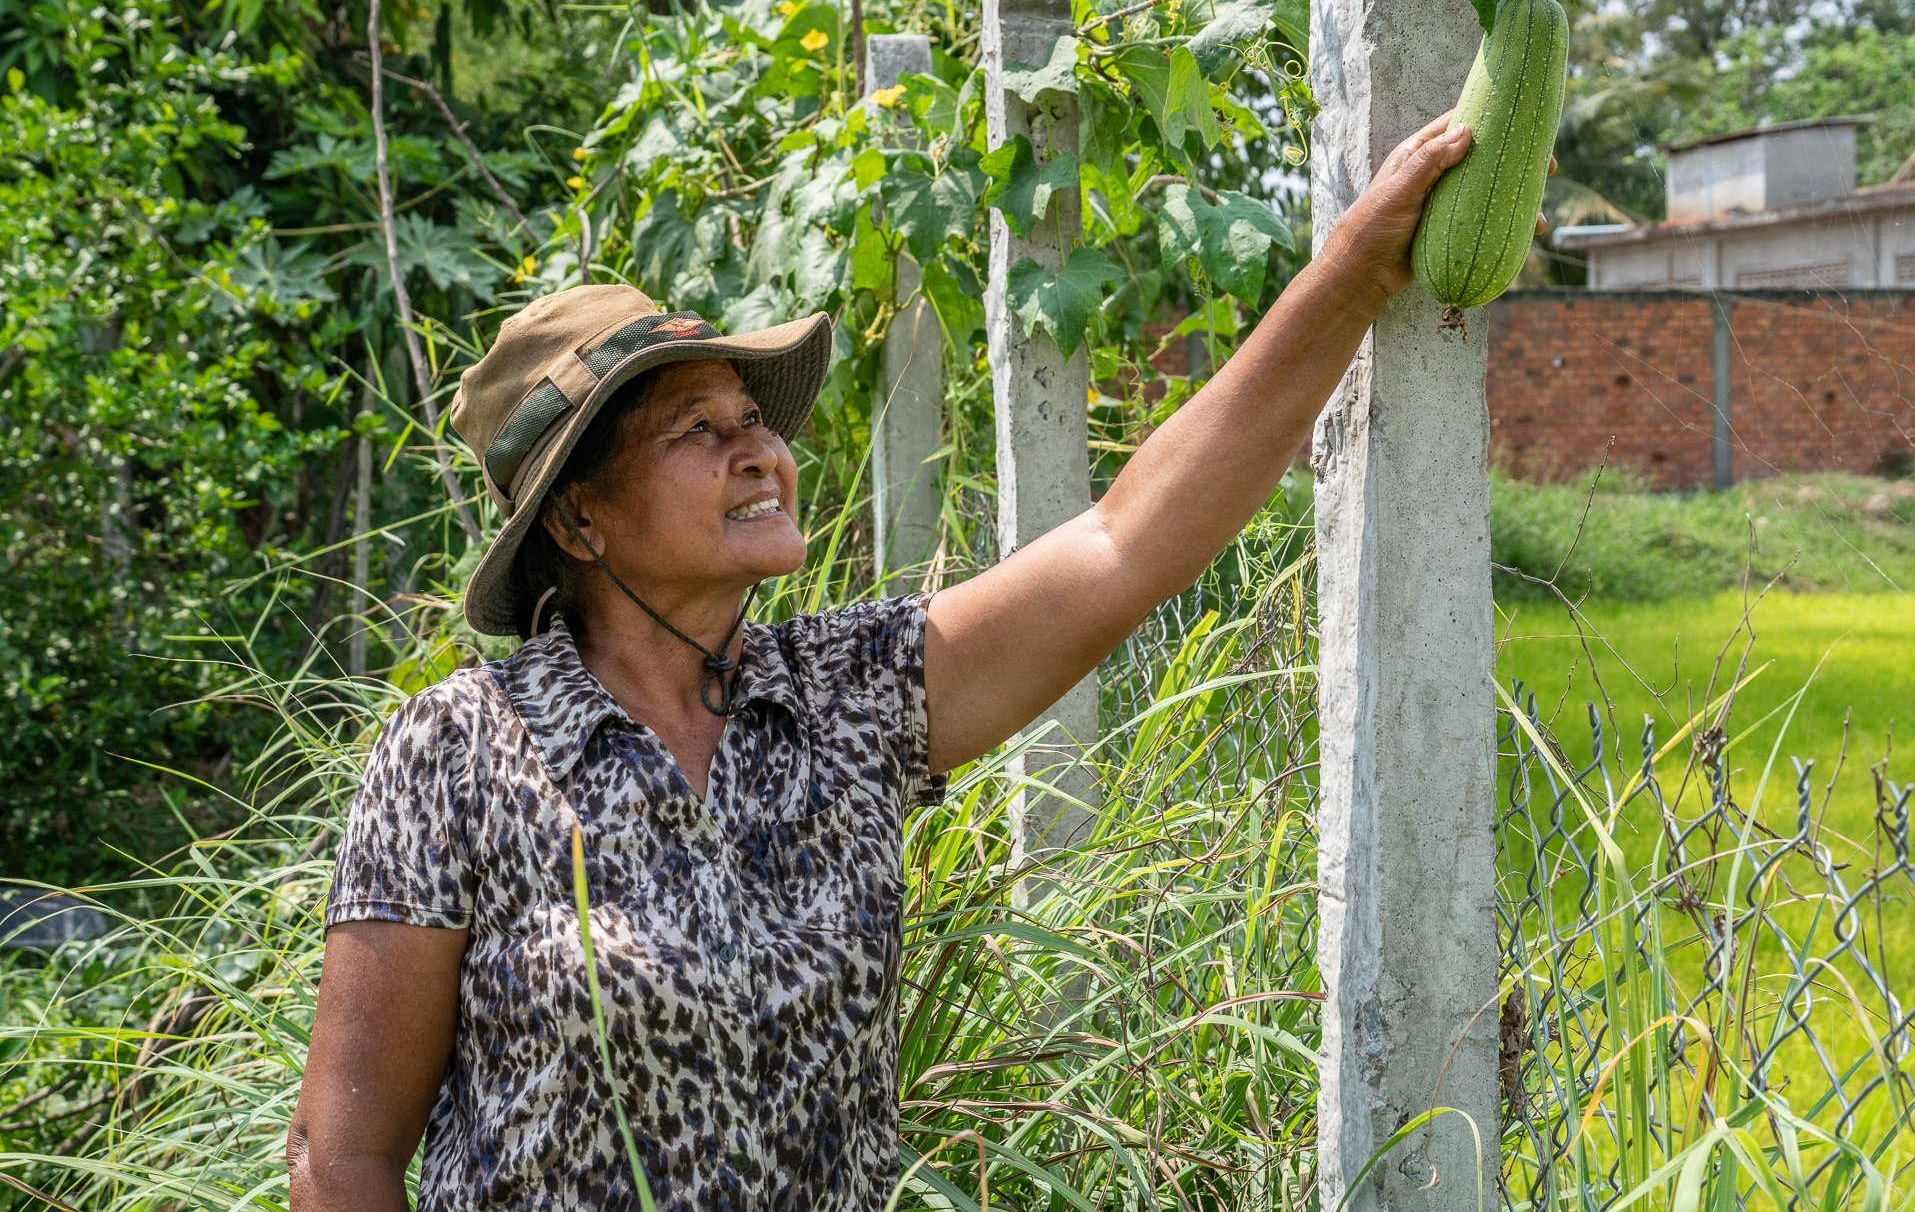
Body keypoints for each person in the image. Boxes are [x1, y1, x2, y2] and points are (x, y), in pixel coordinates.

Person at [286, 114, 1550, 1211]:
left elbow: (1123, 545)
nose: (759, 453)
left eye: (753, 422)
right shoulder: (460, 751)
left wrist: (1349, 266)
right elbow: (341, 1157)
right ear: (577, 520)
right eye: (696, 430)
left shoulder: (845, 699)